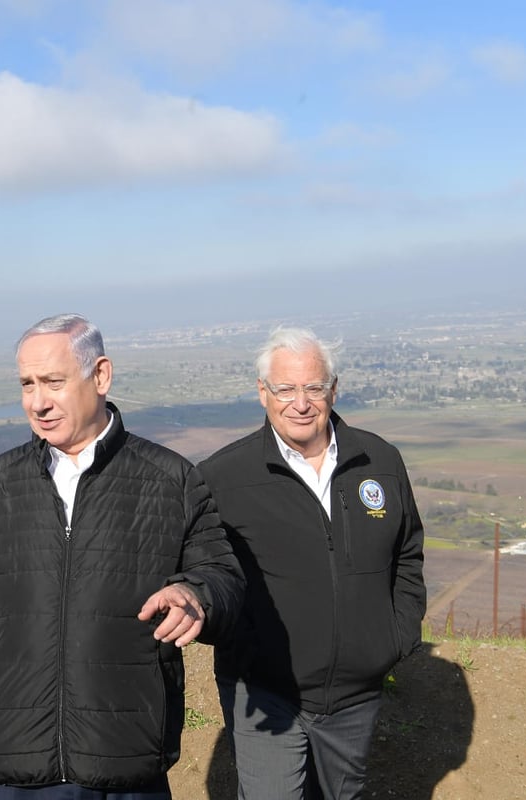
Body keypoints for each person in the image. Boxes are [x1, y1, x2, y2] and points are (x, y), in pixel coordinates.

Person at [0, 313, 244, 799]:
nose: (38, 402)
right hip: (13, 767)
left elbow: (223, 576)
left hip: (127, 763)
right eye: (27, 384)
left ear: (100, 376)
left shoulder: (170, 480)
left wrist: (196, 594)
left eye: (53, 382)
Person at [198, 327, 426, 800]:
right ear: (263, 393)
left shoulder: (379, 461)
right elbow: (201, 571)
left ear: (333, 389)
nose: (300, 402)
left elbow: (407, 552)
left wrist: (394, 638)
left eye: (313, 387)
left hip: (355, 694)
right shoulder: (224, 477)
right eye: (285, 389)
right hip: (264, 691)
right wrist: (238, 641)